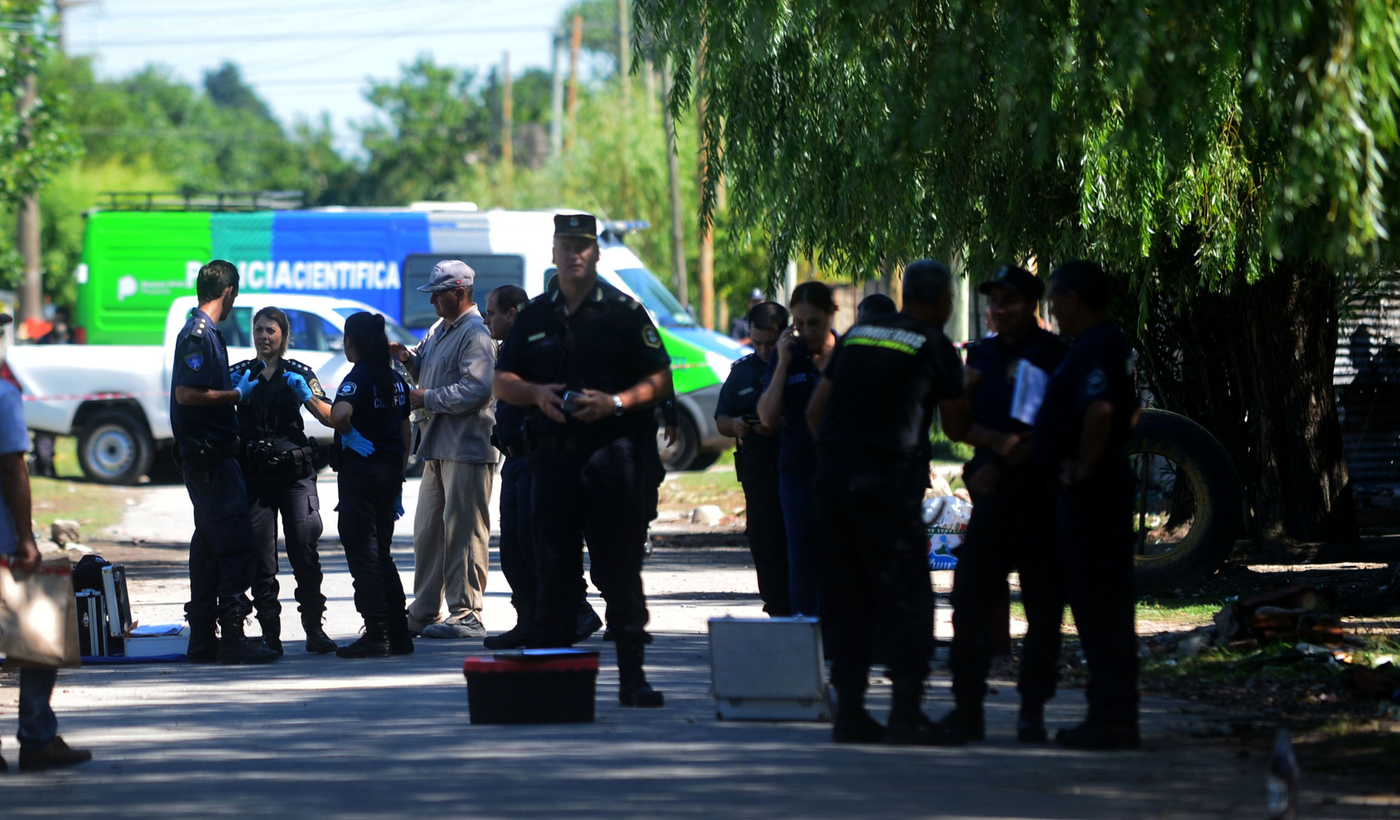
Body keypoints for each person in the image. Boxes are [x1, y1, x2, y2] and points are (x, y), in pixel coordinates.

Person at [493, 212, 671, 708]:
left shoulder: (623, 310)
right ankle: (553, 681)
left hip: (613, 456)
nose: (575, 254)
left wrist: (615, 403)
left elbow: (661, 380)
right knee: (555, 568)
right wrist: (533, 393)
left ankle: (632, 677)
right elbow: (501, 380)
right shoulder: (532, 317)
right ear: (553, 253)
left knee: (619, 567)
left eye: (584, 246)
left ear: (596, 254)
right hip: (553, 461)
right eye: (566, 245)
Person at [805, 259, 971, 746]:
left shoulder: (859, 335)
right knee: (907, 598)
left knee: (848, 595)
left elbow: (817, 413)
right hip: (885, 487)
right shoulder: (935, 345)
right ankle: (904, 714)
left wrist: (840, 458)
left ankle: (851, 713)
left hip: (832, 483)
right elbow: (958, 429)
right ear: (943, 302)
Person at [937, 266, 1069, 743]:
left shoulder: (1055, 355)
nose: (998, 308)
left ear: (1032, 304)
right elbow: (959, 426)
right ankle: (966, 709)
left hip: (1039, 499)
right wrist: (987, 449)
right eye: (992, 300)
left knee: (1043, 610)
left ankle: (1031, 710)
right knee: (969, 603)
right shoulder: (980, 354)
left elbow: (1056, 429)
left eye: (1008, 300)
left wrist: (1008, 459)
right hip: (990, 499)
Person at [1033, 259, 1142, 750]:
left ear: (1073, 298)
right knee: (1102, 608)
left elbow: (1101, 409)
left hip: (1093, 496)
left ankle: (1111, 718)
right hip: (1098, 492)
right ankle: (1111, 712)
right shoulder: (1105, 344)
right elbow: (1131, 409)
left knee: (1100, 609)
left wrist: (1082, 466)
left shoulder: (1096, 346)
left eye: (1054, 298)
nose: (1051, 309)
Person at [483, 284, 604, 648]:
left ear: (512, 314)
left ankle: (574, 611)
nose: (486, 319)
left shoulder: (543, 350)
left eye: (491, 312)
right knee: (514, 552)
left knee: (537, 542)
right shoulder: (513, 352)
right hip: (514, 458)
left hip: (538, 459)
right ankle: (530, 620)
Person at [170, 260, 279, 665]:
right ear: (229, 292)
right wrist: (235, 395)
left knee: (209, 546)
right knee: (235, 543)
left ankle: (202, 637)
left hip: (209, 455)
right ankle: (232, 634)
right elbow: (187, 393)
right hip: (209, 457)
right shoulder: (199, 334)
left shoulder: (205, 332)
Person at [0, 310, 92, 771]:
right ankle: (36, 738)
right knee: (38, 633)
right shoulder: (2, 393)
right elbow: (13, 468)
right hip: (4, 543)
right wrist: (26, 537)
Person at [388, 260, 497, 640]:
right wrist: (407, 359)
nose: (433, 300)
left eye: (438, 294)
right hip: (436, 446)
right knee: (429, 533)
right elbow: (426, 370)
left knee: (464, 532)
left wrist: (427, 397)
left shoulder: (475, 334)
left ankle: (467, 612)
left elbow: (477, 388)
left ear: (459, 292)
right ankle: (422, 611)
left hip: (467, 447)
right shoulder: (440, 329)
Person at [230, 307, 338, 656]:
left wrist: (305, 396)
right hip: (256, 479)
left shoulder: (300, 373)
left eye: (271, 330)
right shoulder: (239, 374)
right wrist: (232, 396)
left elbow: (331, 416)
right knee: (262, 560)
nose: (264, 336)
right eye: (258, 330)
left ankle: (314, 630)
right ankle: (269, 635)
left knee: (304, 551)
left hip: (294, 476)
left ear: (284, 336)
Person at [330, 312, 414, 659]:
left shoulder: (357, 377)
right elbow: (406, 429)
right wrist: (400, 472)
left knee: (363, 554)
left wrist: (348, 433)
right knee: (381, 554)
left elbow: (338, 415)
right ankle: (399, 633)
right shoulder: (396, 379)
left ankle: (376, 633)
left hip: (361, 476)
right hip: (388, 474)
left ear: (354, 342)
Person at [756, 281, 838, 618]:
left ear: (832, 314)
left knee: (838, 554)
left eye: (814, 322)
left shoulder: (847, 354)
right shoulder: (788, 354)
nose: (806, 331)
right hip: (797, 470)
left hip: (838, 471)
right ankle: (805, 636)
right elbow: (766, 417)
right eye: (799, 323)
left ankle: (840, 638)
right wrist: (782, 364)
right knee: (801, 558)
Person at [714, 302, 792, 616]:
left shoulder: (800, 365)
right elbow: (722, 417)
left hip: (793, 465)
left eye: (770, 343)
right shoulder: (743, 371)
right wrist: (735, 426)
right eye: (756, 342)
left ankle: (805, 605)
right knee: (764, 539)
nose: (762, 350)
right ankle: (775, 605)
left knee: (797, 537)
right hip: (758, 469)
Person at [30, 306, 72, 479]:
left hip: (65, 396)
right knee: (44, 435)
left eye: (62, 319)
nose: (59, 323)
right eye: (57, 319)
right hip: (46, 395)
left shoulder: (73, 340)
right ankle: (44, 467)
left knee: (49, 437)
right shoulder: (45, 340)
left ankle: (46, 467)